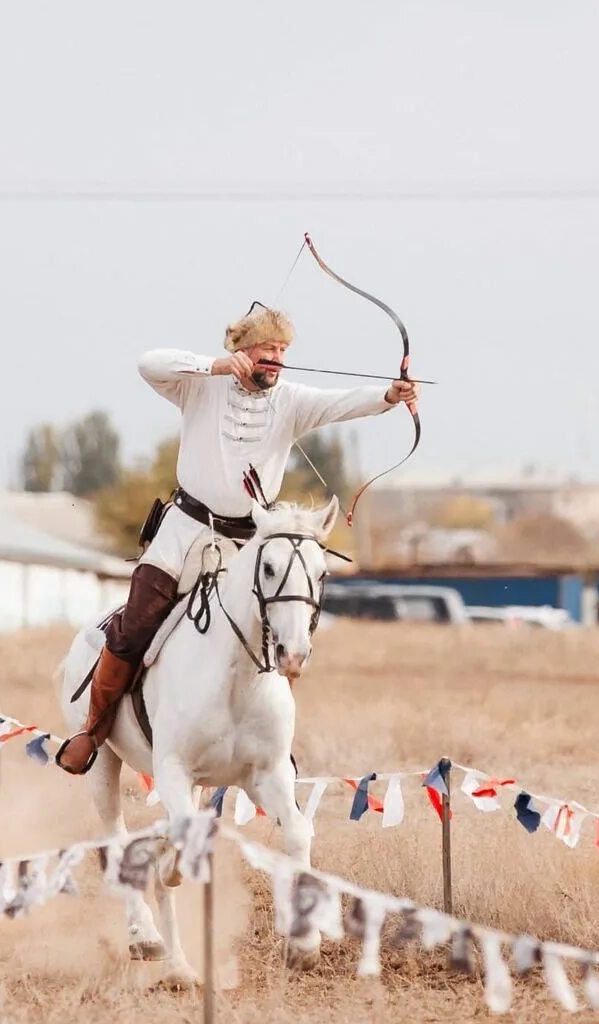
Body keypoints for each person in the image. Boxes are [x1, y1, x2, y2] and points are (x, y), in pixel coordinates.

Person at [56, 303, 418, 774]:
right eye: (268, 349)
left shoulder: (291, 400)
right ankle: (93, 730)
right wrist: (216, 365)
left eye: (283, 351)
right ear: (243, 350)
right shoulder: (199, 384)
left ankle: (268, 749)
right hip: (183, 537)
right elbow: (149, 363)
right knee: (133, 629)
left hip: (247, 549)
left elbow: (343, 402)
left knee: (278, 640)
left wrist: (389, 395)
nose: (276, 359)